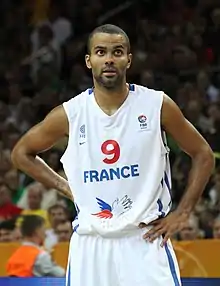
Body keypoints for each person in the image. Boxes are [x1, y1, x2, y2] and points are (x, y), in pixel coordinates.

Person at [11, 24, 215, 286]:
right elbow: (21, 154)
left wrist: (184, 212)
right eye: (100, 52)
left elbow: (203, 154)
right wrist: (67, 188)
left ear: (128, 59)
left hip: (144, 239)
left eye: (117, 52)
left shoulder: (156, 104)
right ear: (89, 61)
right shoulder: (70, 114)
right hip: (90, 244)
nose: (109, 59)